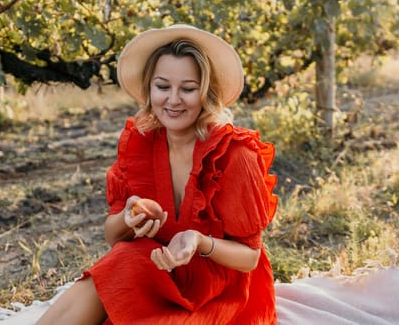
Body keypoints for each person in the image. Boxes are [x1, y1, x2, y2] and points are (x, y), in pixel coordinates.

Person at [36, 24, 278, 324]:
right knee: (121, 259)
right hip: (158, 269)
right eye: (163, 86)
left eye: (188, 89)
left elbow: (249, 258)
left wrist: (199, 241)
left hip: (220, 289)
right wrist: (127, 218)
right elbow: (113, 237)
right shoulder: (141, 144)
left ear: (206, 93)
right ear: (149, 90)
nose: (173, 100)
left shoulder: (233, 154)